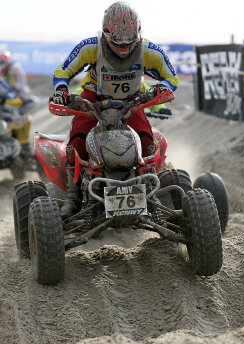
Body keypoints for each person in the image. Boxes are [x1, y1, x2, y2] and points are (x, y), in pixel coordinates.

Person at [51, 1, 179, 219]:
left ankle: (149, 191)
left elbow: (171, 76)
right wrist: (62, 90)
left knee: (149, 144)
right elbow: (63, 71)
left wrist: (161, 89)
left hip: (131, 101)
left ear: (138, 34)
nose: (123, 49)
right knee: (76, 143)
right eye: (117, 43)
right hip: (93, 99)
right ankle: (73, 196)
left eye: (129, 44)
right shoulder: (91, 47)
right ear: (105, 34)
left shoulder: (149, 50)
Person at [0, 50, 34, 158]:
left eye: (1, 62)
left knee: (16, 115)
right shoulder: (6, 72)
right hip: (12, 98)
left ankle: (24, 147)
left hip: (21, 98)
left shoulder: (15, 67)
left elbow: (19, 84)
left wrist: (15, 91)